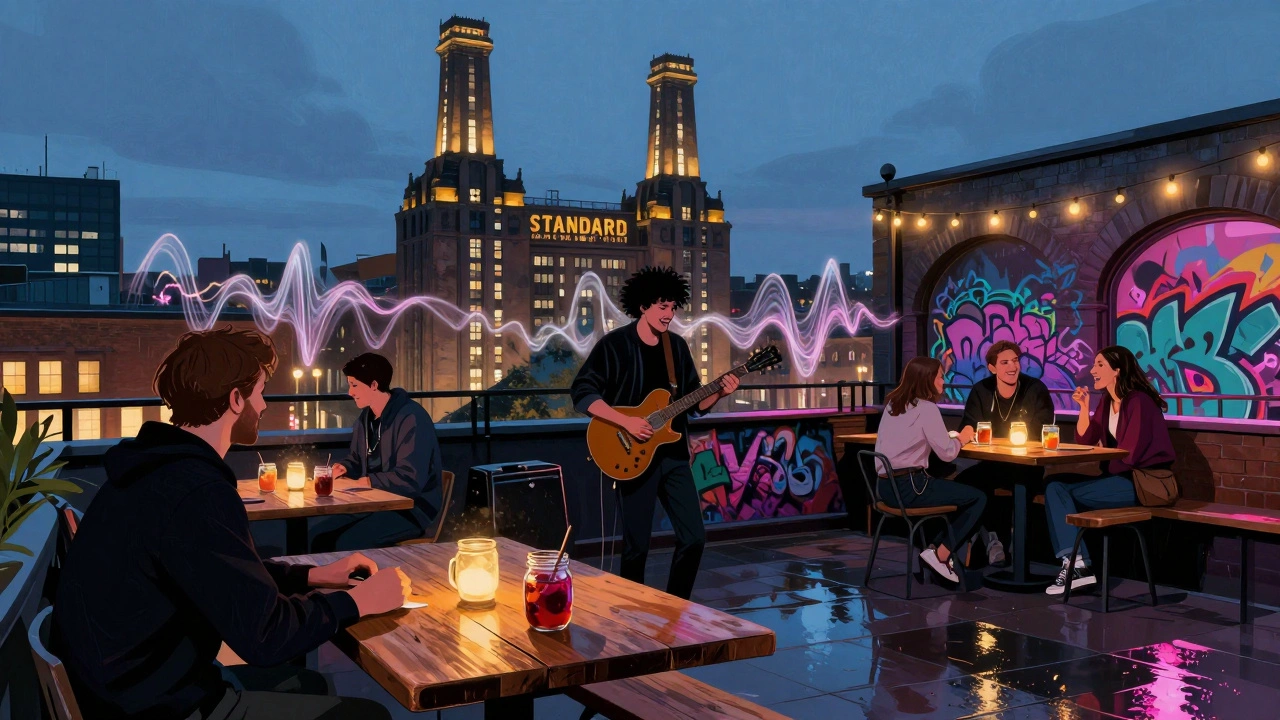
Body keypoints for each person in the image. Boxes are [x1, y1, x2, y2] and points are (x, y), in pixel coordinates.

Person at [52, 327, 409, 720]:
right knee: (367, 716)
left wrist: (313, 577)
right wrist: (361, 600)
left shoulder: (151, 473)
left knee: (313, 685)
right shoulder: (197, 492)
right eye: (259, 391)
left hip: (135, 690)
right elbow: (266, 637)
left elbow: (222, 573)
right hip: (167, 706)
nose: (265, 404)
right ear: (236, 399)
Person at [571, 266, 739, 599]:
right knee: (636, 548)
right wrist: (625, 421)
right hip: (631, 457)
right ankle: (631, 614)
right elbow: (582, 393)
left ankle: (677, 605)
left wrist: (720, 392)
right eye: (662, 307)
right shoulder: (615, 345)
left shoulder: (675, 348)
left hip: (674, 457)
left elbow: (693, 402)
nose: (669, 314)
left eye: (673, 307)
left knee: (694, 538)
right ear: (643, 305)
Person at [1043, 345, 1175, 595]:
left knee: (1060, 490)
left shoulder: (1139, 402)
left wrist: (1104, 456)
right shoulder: (1107, 401)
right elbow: (1085, 441)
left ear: (1118, 370)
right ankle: (1076, 564)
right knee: (1054, 483)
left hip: (1144, 483)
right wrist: (1083, 407)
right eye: (1094, 365)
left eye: (1100, 365)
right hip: (1118, 478)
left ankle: (1078, 567)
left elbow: (1130, 454)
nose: (1093, 370)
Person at [873, 357, 984, 583]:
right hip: (911, 487)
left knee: (956, 489)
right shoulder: (927, 409)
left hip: (885, 488)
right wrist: (961, 439)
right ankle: (940, 555)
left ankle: (934, 551)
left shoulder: (893, 404)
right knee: (978, 498)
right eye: (941, 376)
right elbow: (947, 453)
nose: (944, 381)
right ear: (928, 380)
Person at [318, 353, 444, 551]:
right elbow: (358, 459)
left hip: (411, 508)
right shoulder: (365, 418)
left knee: (347, 542)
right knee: (318, 536)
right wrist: (345, 467)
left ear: (374, 385)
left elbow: (411, 479)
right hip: (376, 503)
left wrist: (369, 482)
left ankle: (360, 582)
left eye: (355, 385)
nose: (350, 392)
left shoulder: (412, 418)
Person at [955, 340, 1057, 565]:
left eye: (1015, 360)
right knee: (965, 483)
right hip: (994, 464)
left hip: (1027, 466)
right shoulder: (981, 390)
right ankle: (991, 539)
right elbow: (969, 424)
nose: (1012, 366)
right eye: (1004, 362)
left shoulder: (1035, 388)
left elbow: (1042, 429)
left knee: (1014, 486)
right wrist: (965, 433)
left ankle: (1004, 546)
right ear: (992, 367)